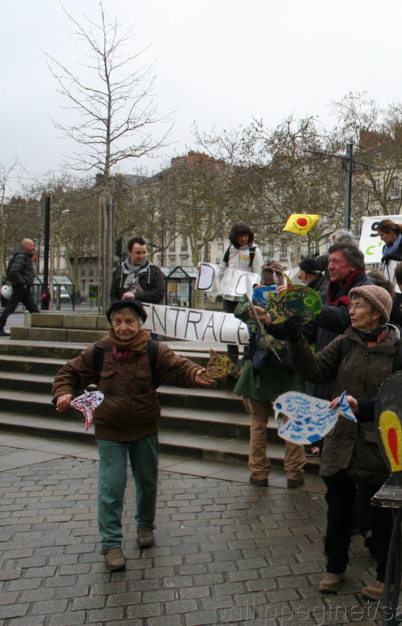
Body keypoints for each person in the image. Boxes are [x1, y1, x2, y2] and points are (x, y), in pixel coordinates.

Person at [259, 284, 402, 601]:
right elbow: (315, 371)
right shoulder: (345, 342)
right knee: (338, 513)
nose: (351, 310)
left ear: (377, 314)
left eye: (358, 305)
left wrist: (366, 405)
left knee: (382, 517)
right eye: (351, 304)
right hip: (341, 443)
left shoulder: (401, 353)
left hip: (378, 447)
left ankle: (388, 577)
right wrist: (295, 339)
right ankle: (334, 568)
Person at [51, 298, 213, 571]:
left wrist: (196, 373)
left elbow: (179, 367)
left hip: (144, 426)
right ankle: (111, 544)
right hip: (109, 429)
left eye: (129, 321)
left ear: (140, 323)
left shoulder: (154, 350)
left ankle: (145, 525)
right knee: (111, 487)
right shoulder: (99, 350)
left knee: (147, 481)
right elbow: (69, 372)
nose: (123, 327)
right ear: (111, 324)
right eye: (118, 321)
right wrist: (63, 392)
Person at [234, 261, 307, 489]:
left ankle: (259, 473)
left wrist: (252, 294)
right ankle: (294, 473)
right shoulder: (291, 298)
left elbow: (238, 312)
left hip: (258, 371)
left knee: (257, 425)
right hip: (289, 371)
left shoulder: (254, 299)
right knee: (292, 424)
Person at [302, 243, 373, 402]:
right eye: (329, 262)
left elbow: (343, 319)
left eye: (336, 262)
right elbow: (307, 333)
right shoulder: (327, 294)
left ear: (353, 265)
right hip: (323, 381)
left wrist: (306, 306)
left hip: (350, 386)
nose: (330, 267)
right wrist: (274, 320)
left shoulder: (368, 292)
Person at [217, 222, 262, 361]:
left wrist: (254, 291)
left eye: (245, 236)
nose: (243, 239)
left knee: (247, 326)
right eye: (240, 236)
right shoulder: (228, 250)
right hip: (229, 296)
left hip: (245, 296)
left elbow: (257, 272)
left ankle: (248, 355)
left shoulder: (254, 251)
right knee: (229, 326)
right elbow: (221, 269)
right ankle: (232, 356)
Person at [0, 238, 41, 336]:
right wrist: (22, 282)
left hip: (24, 286)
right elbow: (14, 271)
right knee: (10, 307)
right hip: (21, 286)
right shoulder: (21, 256)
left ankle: (41, 327)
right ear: (25, 246)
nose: (33, 247)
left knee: (33, 308)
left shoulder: (25, 256)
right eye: (31, 245)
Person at [109, 237, 166, 305]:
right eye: (138, 253)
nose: (141, 256)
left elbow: (159, 293)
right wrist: (119, 306)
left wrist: (135, 295)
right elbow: (113, 294)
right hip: (124, 309)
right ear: (129, 252)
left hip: (146, 310)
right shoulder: (119, 271)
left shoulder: (154, 271)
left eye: (144, 252)